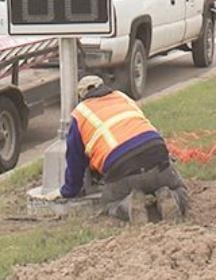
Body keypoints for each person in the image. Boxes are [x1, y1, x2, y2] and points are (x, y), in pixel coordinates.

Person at [49, 75, 190, 220]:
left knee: (109, 203)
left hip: (121, 168)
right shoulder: (123, 97)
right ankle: (171, 197)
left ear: (81, 96)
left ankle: (130, 205)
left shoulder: (81, 114)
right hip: (157, 158)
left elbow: (75, 161)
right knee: (180, 189)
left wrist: (69, 191)